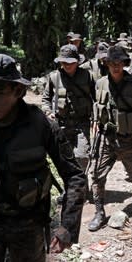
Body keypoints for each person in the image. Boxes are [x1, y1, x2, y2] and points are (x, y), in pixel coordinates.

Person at [0, 54, 87, 261]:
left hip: (28, 224)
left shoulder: (42, 126)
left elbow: (75, 176)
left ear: (18, 91)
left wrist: (67, 227)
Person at [89, 45, 132, 231]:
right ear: (106, 63)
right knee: (97, 175)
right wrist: (95, 123)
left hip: (129, 138)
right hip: (106, 138)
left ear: (124, 64)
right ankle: (99, 212)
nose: (115, 66)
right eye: (112, 63)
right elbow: (97, 107)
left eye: (119, 63)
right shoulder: (100, 83)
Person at [42, 44, 95, 172]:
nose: (67, 65)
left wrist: (96, 119)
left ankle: (82, 184)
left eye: (70, 62)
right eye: (64, 62)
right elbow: (45, 100)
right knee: (65, 158)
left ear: (77, 62)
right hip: (62, 124)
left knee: (82, 157)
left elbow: (96, 99)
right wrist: (48, 112)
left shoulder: (87, 76)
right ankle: (73, 187)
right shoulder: (54, 77)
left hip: (82, 123)